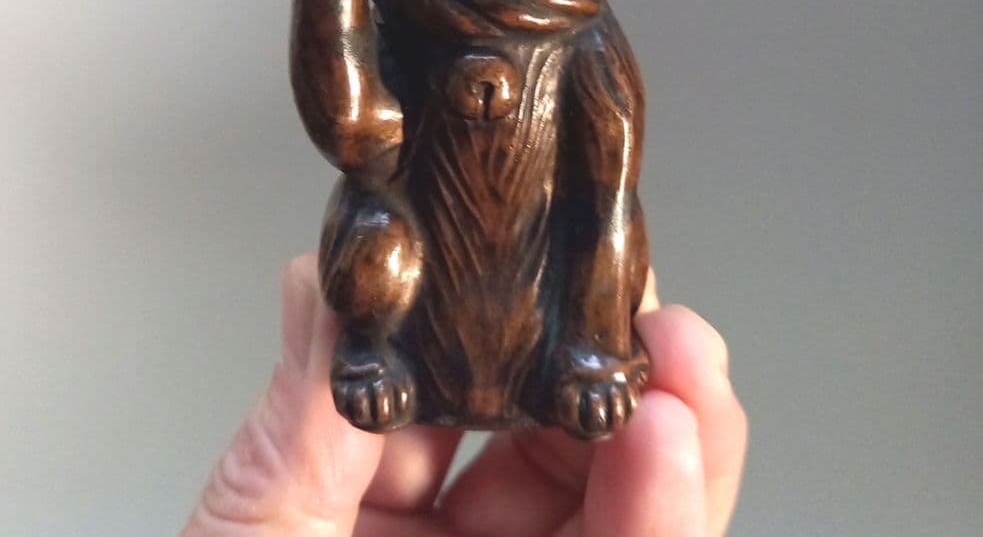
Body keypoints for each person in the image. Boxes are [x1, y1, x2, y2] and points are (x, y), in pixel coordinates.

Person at [183, 254, 747, 536]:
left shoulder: (582, 61)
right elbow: (362, 140)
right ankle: (373, 347)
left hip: (547, 320)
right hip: (413, 307)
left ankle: (592, 350)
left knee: (603, 236)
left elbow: (604, 191)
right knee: (372, 238)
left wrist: (598, 332)